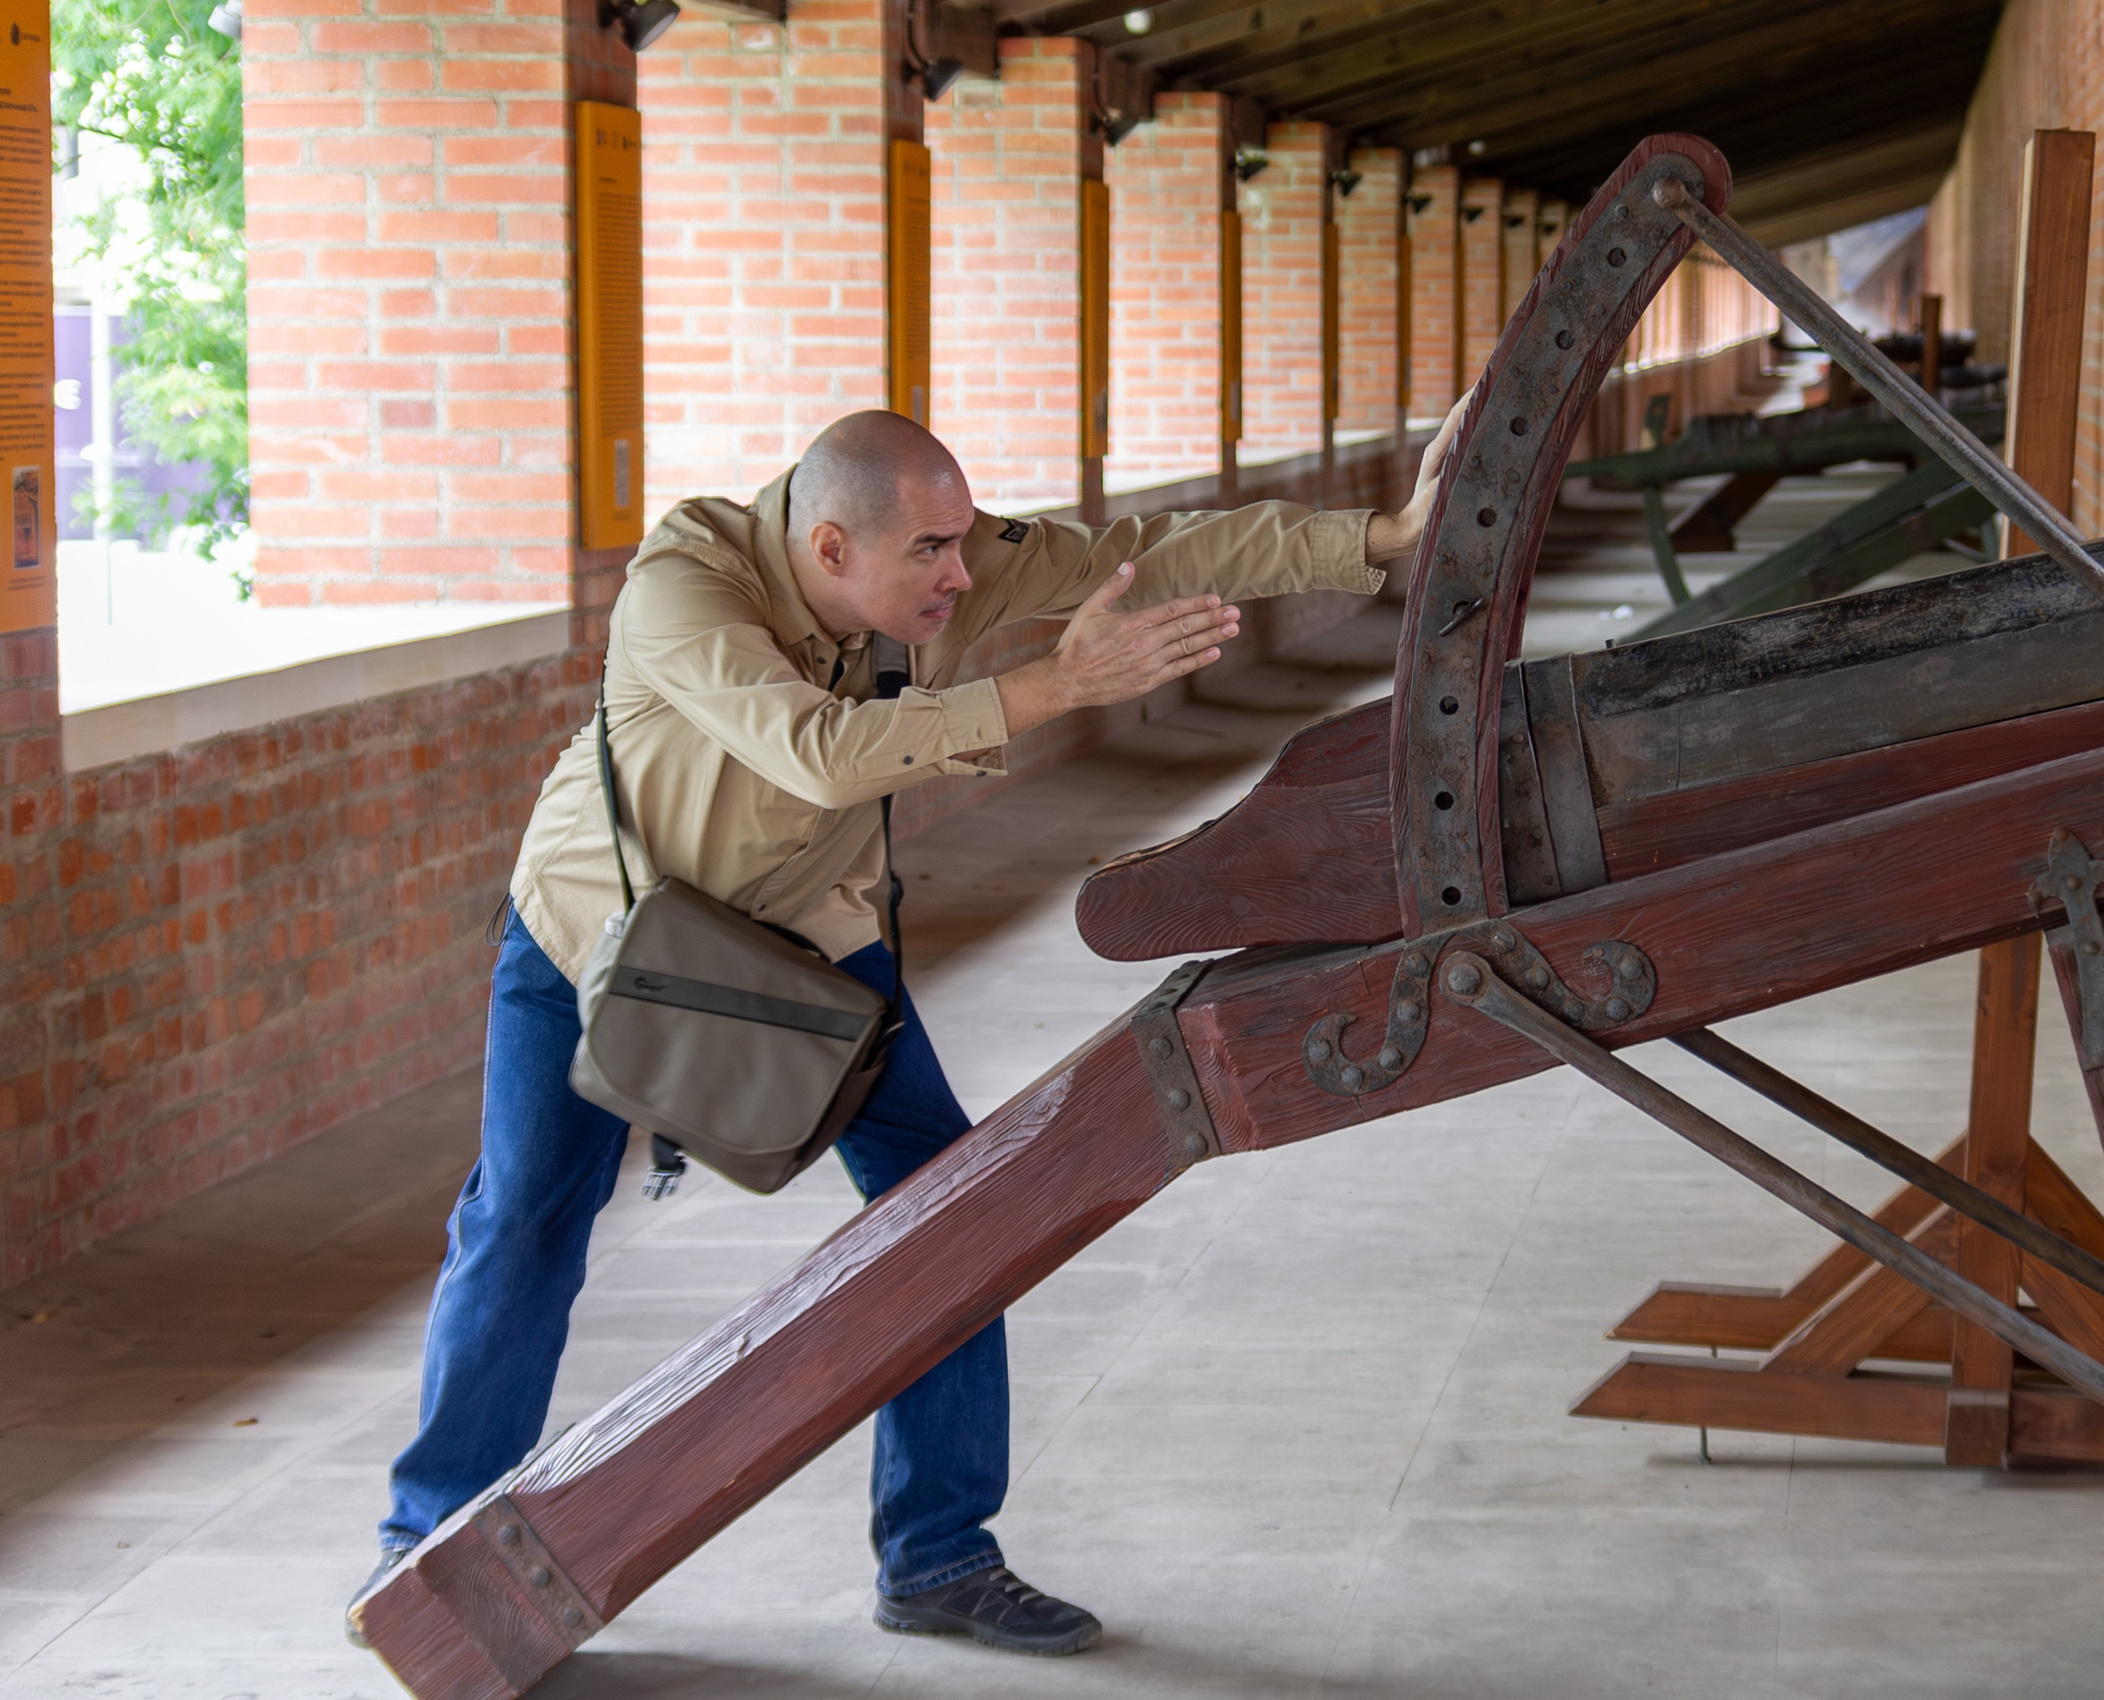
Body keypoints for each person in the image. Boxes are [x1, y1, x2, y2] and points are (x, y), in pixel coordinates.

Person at [348, 401, 1464, 1657]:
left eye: (963, 541)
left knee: (956, 1203)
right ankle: (431, 1541)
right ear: (831, 551)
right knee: (526, 1216)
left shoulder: (939, 565)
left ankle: (938, 1552)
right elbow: (817, 752)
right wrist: (1053, 683)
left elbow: (1147, 550)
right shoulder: (684, 584)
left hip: (806, 943)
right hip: (593, 940)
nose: (963, 572)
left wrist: (1385, 532)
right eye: (930, 551)